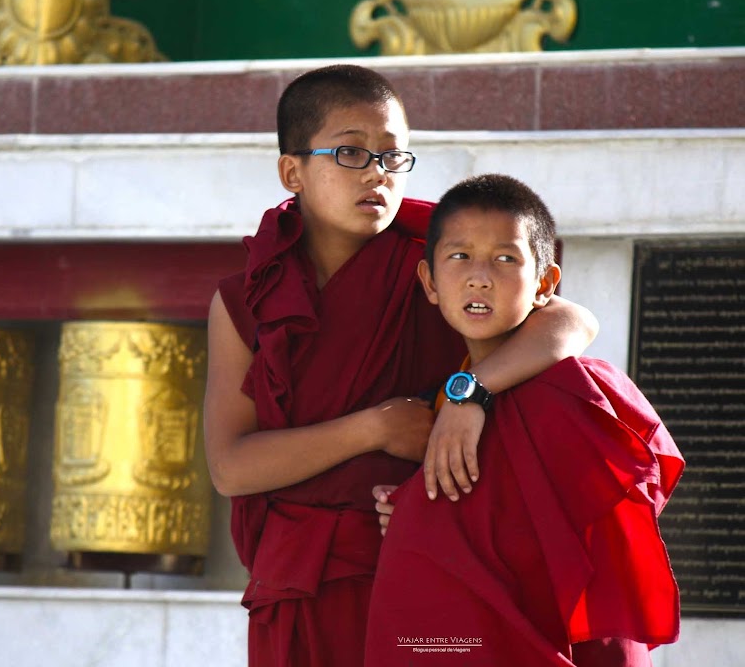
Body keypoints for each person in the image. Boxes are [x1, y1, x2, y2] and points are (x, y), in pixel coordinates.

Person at [203, 65, 598, 667]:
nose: (377, 175)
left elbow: (570, 322)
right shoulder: (247, 300)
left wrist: (470, 396)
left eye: (392, 156)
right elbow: (231, 466)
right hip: (300, 579)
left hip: (424, 564)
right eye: (351, 153)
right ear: (293, 171)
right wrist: (378, 427)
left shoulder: (436, 260)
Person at [364, 174, 684, 666]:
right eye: (459, 256)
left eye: (506, 258)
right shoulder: (448, 396)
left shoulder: (571, 393)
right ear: (428, 282)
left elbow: (582, 545)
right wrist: (414, 508)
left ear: (545, 284)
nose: (480, 277)